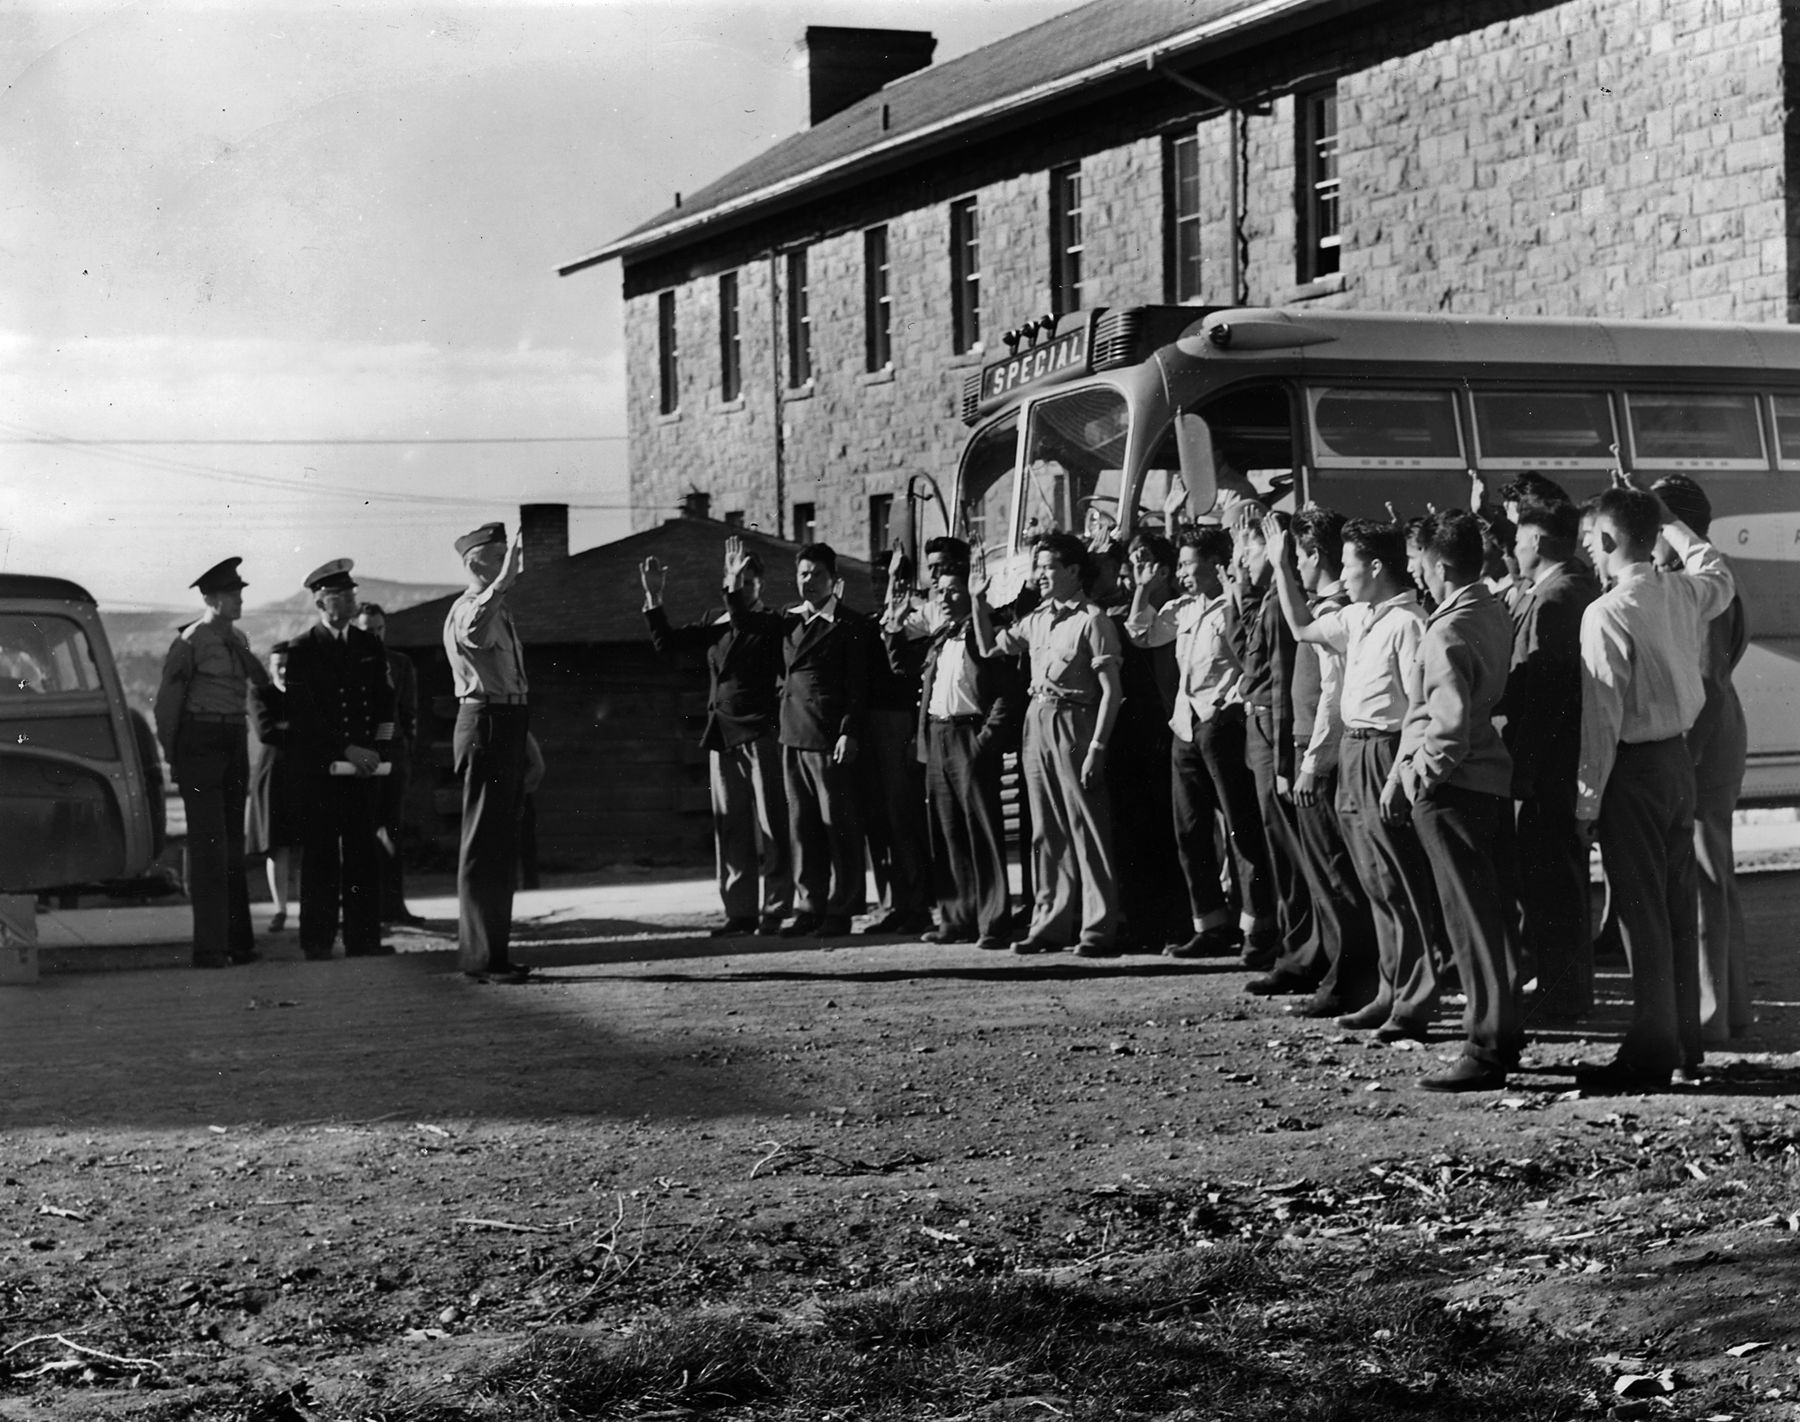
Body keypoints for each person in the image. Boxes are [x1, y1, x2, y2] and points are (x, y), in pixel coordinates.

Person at [1574, 476, 1735, 1092]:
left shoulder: (1606, 612)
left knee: (1640, 916)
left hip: (1632, 770)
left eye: (1592, 538)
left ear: (1610, 536)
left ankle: (1648, 1051)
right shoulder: (1681, 592)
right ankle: (1683, 1042)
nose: (1588, 548)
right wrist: (1670, 521)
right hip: (1677, 765)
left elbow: (1601, 719)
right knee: (1674, 909)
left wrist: (1585, 801)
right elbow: (1717, 571)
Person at [1265, 514, 1441, 1042]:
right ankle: (1388, 992)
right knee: (1373, 881)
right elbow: (1300, 627)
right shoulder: (1361, 616)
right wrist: (1280, 568)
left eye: (1349, 563)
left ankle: (1413, 1002)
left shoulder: (1408, 622)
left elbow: (1419, 706)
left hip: (1386, 751)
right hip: (1354, 750)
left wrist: (1399, 775)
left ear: (1377, 566)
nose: (1342, 574)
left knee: (1399, 882)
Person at [1391, 511, 1521, 1091]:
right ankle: (1500, 1035)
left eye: (1419, 560)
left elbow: (1446, 729)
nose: (1415, 570)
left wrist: (1418, 778)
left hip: (1454, 792)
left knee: (1468, 924)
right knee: (1489, 920)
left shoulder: (1444, 630)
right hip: (1487, 784)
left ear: (1440, 566)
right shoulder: (1488, 609)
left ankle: (1485, 1048)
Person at [1125, 524, 1275, 960]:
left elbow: (1247, 656)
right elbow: (1141, 633)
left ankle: (1257, 927)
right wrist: (1144, 589)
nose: (1184, 572)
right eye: (1182, 565)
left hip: (1222, 722)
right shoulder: (1183, 608)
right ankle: (1209, 924)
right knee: (1190, 829)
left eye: (1191, 564)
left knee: (1239, 827)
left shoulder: (1235, 605)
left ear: (1216, 565)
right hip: (1186, 726)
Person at [969, 532, 1123, 956]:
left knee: (1085, 825)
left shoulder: (1093, 620)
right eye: (1038, 567)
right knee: (1045, 831)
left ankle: (1096, 928)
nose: (1041, 575)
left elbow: (1111, 691)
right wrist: (977, 602)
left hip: (1076, 722)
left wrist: (1097, 747)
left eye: (1049, 566)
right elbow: (987, 647)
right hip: (1036, 721)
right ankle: (1049, 924)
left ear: (1074, 570)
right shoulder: (1036, 619)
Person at [724, 536, 870, 938]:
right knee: (802, 828)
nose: (808, 581)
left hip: (829, 738)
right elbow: (744, 622)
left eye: (817, 574)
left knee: (836, 826)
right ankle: (810, 906)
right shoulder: (788, 620)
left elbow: (858, 688)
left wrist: (849, 732)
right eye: (803, 574)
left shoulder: (848, 624)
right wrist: (735, 583)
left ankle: (842, 908)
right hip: (793, 735)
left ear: (833, 580)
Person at [642, 544, 791, 937]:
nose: (743, 589)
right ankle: (739, 913)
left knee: (772, 825)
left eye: (749, 582)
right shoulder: (716, 620)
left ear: (760, 586)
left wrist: (731, 585)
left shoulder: (771, 622)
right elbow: (666, 644)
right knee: (732, 828)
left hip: (761, 732)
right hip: (724, 734)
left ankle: (776, 910)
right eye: (738, 582)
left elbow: (743, 623)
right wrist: (655, 597)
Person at [1653, 475, 1751, 1047]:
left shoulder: (1700, 589)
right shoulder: (1696, 581)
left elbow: (1709, 683)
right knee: (1711, 877)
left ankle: (1713, 1015)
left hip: (1703, 742)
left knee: (1704, 881)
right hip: (1711, 735)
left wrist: (1683, 763)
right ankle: (1730, 1010)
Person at [1503, 497, 1601, 1021]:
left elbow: (1544, 694)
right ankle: (1562, 990)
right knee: (1557, 881)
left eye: (1518, 540)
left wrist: (1523, 770)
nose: (1514, 550)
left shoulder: (1554, 598)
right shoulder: (1567, 589)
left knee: (1551, 885)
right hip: (1559, 764)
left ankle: (1562, 997)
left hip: (1547, 768)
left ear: (1538, 542)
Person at [1278, 506, 1379, 1017]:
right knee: (1328, 876)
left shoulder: (1335, 613)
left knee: (1338, 877)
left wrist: (1312, 761)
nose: (1295, 564)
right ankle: (1342, 975)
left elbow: (1332, 697)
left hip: (1325, 754)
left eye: (1298, 555)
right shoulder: (1328, 607)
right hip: (1313, 750)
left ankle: (1349, 983)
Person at [891, 563, 1019, 950]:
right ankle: (955, 917)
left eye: (952, 591)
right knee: (946, 833)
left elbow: (1004, 695)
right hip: (938, 735)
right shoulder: (939, 638)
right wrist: (894, 629)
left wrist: (985, 741)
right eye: (939, 592)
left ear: (971, 592)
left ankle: (993, 921)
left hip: (970, 735)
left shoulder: (984, 634)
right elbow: (902, 668)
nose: (943, 599)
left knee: (981, 830)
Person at [152, 556, 269, 968]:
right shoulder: (190, 641)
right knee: (209, 848)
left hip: (234, 738)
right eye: (232, 594)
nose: (239, 600)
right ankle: (210, 948)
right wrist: (174, 755)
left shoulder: (238, 638)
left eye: (239, 593)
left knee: (233, 847)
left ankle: (239, 943)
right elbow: (168, 705)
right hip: (199, 743)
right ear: (210, 598)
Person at [285, 559, 395, 961]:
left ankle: (363, 940)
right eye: (340, 595)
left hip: (364, 769)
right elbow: (304, 716)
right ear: (320, 600)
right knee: (320, 856)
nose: (350, 601)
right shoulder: (303, 649)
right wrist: (344, 749)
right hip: (322, 771)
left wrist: (377, 750)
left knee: (363, 853)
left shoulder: (369, 645)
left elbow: (385, 703)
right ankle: (317, 940)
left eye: (352, 594)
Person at [444, 522, 532, 982]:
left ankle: (494, 954)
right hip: (486, 724)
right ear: (475, 563)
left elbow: (508, 680)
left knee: (500, 845)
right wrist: (499, 585)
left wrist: (527, 739)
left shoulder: (499, 608)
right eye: (499, 557)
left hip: (507, 721)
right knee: (483, 844)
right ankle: (480, 958)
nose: (510, 565)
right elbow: (476, 632)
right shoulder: (469, 610)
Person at [1228, 510, 1313, 972]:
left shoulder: (1281, 603)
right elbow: (1248, 660)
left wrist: (1284, 761)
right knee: (1273, 847)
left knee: (1288, 854)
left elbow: (1282, 685)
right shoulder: (1265, 600)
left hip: (1272, 735)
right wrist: (1240, 589)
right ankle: (1291, 945)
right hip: (1258, 732)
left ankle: (1299, 951)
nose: (1242, 556)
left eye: (1251, 546)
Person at [1103, 533, 1190, 953]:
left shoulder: (1177, 608)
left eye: (1145, 562)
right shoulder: (1127, 603)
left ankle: (1177, 922)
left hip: (1167, 727)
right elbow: (1133, 627)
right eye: (1132, 563)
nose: (1135, 571)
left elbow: (1144, 634)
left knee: (1169, 832)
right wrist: (1138, 587)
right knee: (1132, 833)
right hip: (1130, 731)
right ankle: (1141, 923)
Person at [862, 549, 935, 936]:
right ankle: (893, 903)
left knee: (903, 820)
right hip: (871, 728)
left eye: (889, 581)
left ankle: (917, 904)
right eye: (876, 581)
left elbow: (914, 681)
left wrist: (912, 735)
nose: (882, 589)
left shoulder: (915, 627)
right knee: (880, 822)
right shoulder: (870, 625)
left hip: (900, 726)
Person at [355, 603, 425, 928]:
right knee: (361, 832)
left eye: (379, 630)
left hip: (394, 757)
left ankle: (394, 907)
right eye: (368, 630)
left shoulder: (399, 663)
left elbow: (409, 714)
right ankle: (363, 910)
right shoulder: (348, 663)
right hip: (359, 759)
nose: (374, 635)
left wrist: (403, 750)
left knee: (392, 831)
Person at [245, 640, 301, 932]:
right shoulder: (260, 693)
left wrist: (289, 727)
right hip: (273, 777)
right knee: (277, 845)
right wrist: (296, 728)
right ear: (270, 667)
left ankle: (308, 908)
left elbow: (315, 728)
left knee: (306, 844)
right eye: (277, 665)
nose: (282, 670)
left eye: (288, 665)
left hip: (305, 775)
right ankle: (280, 909)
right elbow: (266, 731)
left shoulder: (306, 694)